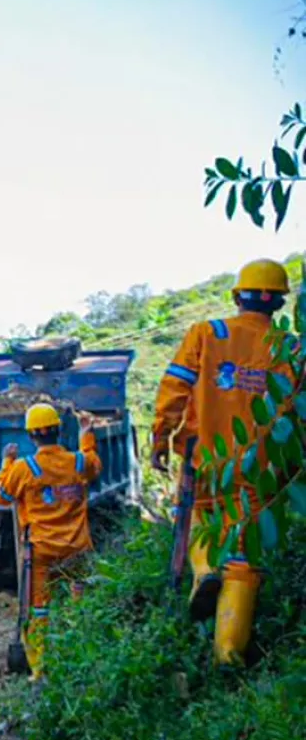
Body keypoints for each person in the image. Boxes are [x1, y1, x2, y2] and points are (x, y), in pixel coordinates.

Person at [150, 257, 292, 666]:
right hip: (260, 472)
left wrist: (162, 437)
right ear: (278, 303)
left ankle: (203, 569)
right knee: (244, 560)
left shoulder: (207, 333)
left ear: (238, 297)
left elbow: (175, 387)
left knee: (195, 513)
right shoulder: (290, 349)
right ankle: (228, 654)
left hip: (206, 461)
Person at [0, 402, 102, 680]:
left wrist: (6, 462)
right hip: (77, 549)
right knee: (82, 600)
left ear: (31, 436)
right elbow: (94, 462)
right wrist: (87, 434)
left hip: (40, 552)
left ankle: (39, 669)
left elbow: (2, 495)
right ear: (58, 431)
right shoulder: (79, 462)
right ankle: (82, 657)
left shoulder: (23, 468)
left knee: (38, 608)